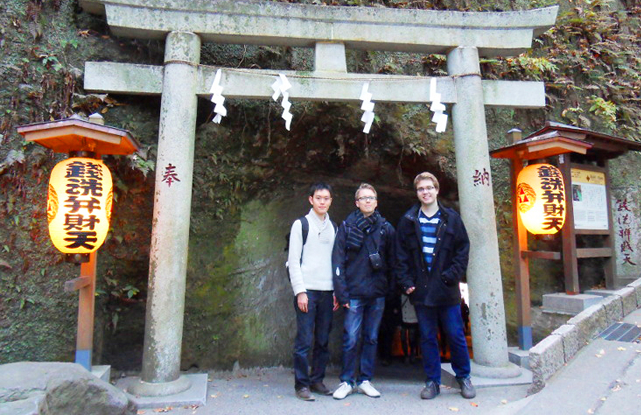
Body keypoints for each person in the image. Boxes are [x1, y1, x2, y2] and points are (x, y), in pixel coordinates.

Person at [395, 172, 476, 400]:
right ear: (417, 192)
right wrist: (406, 282)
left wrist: (452, 275)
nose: (425, 192)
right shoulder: (408, 220)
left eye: (429, 188)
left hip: (446, 287)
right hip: (422, 289)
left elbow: (463, 249)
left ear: (437, 189)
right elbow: (399, 255)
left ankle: (463, 377)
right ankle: (432, 381)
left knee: (455, 334)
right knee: (428, 336)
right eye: (421, 189)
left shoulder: (451, 218)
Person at [331, 183, 396, 400]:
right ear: (356, 203)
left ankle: (365, 379)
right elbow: (338, 260)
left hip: (376, 292)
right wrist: (342, 292)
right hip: (354, 292)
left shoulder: (386, 228)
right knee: (351, 337)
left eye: (371, 197)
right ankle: (347, 380)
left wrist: (390, 289)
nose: (367, 201)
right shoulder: (347, 227)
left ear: (376, 202)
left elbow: (393, 260)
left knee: (371, 337)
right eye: (363, 198)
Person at [288, 182, 338, 401]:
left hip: (327, 291)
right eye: (318, 198)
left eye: (326, 198)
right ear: (311, 199)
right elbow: (293, 260)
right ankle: (302, 384)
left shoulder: (334, 227)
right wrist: (300, 291)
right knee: (305, 339)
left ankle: (317, 379)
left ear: (330, 201)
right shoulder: (301, 224)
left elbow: (337, 262)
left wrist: (337, 291)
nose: (322, 202)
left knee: (323, 340)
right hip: (307, 290)